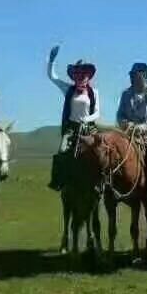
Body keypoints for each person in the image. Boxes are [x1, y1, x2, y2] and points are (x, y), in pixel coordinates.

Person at [46, 46, 100, 190]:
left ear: (88, 76)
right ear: (74, 75)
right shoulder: (68, 89)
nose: (81, 76)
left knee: (99, 152)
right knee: (62, 150)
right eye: (78, 73)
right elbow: (52, 77)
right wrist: (51, 60)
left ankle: (101, 184)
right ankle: (58, 181)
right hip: (71, 129)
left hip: (88, 129)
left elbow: (97, 113)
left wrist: (87, 119)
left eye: (84, 73)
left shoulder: (94, 93)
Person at [117, 63, 147, 202]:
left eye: (135, 75)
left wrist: (143, 127)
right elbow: (120, 115)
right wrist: (126, 124)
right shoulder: (126, 94)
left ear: (143, 75)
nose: (132, 77)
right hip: (129, 130)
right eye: (131, 75)